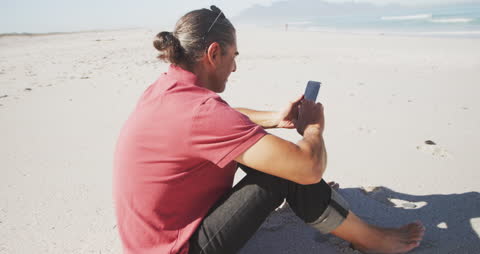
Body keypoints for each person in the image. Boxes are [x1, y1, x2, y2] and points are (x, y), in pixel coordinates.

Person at [113, 5, 425, 254]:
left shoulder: (167, 90)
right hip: (179, 248)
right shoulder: (201, 112)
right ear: (213, 54)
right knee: (287, 173)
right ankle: (372, 240)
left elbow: (225, 116)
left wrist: (274, 118)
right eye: (233, 56)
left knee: (284, 167)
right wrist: (313, 129)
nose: (234, 67)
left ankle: (323, 206)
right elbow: (309, 168)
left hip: (150, 240)